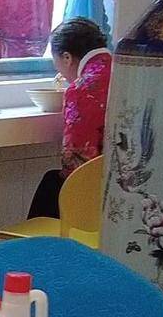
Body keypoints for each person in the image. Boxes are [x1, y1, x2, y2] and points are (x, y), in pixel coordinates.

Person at [27, 17, 112, 219]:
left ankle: (42, 237)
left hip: (97, 193)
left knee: (51, 184)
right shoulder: (127, 71)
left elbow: (76, 159)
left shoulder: (82, 89)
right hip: (129, 184)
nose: (62, 75)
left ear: (67, 58)